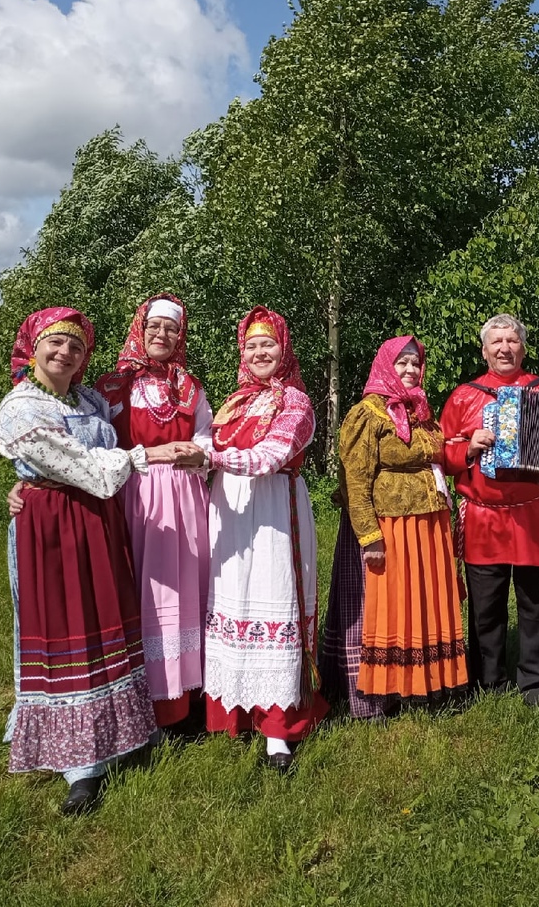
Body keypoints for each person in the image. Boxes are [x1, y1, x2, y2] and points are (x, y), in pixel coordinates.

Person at [0, 308, 163, 815]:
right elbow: (92, 469)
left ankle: (125, 733)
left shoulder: (86, 399)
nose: (65, 353)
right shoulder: (20, 408)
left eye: (75, 347)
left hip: (98, 522)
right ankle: (80, 767)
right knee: (66, 624)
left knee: (107, 620)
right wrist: (140, 459)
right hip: (52, 524)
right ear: (33, 348)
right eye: (56, 344)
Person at [203, 306, 327, 770]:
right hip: (230, 510)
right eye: (251, 346)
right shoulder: (233, 402)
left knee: (274, 598)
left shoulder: (295, 402)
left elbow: (269, 456)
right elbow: (213, 453)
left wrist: (208, 454)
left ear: (284, 350)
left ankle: (279, 730)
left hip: (274, 507)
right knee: (233, 598)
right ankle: (234, 712)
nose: (259, 352)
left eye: (268, 345)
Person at [321, 335, 468, 718]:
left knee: (426, 602)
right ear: (385, 364)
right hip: (393, 524)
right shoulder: (368, 413)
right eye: (401, 362)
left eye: (415, 364)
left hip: (429, 523)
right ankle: (391, 687)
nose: (409, 370)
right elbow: (355, 478)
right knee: (395, 606)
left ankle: (428, 684)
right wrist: (369, 536)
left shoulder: (420, 410)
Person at [439, 314, 539, 707]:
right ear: (484, 350)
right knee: (486, 605)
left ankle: (536, 682)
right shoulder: (464, 396)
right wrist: (468, 447)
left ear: (523, 348)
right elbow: (438, 453)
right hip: (484, 515)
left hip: (536, 513)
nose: (504, 348)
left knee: (538, 604)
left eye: (512, 341)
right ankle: (487, 678)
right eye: (496, 342)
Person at [95, 295, 212, 732]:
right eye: (154, 327)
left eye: (170, 329)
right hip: (137, 495)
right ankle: (149, 700)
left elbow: (207, 437)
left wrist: (200, 455)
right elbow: (94, 444)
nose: (161, 335)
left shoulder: (191, 387)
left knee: (189, 588)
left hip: (186, 496)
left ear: (180, 336)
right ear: (139, 329)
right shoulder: (112, 386)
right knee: (149, 593)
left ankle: (191, 696)